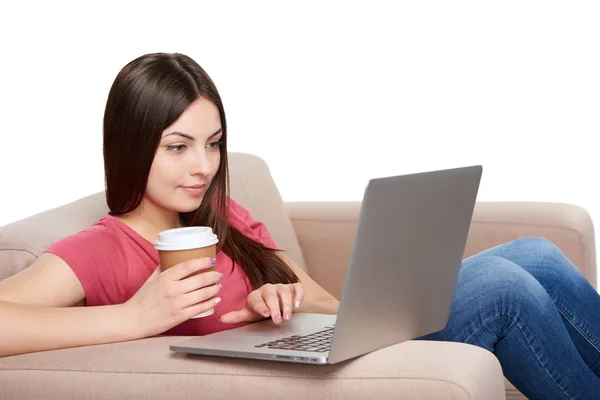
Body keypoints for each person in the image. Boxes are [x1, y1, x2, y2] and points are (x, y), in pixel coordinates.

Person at [0, 53, 598, 399]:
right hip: (315, 376)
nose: (203, 166)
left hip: (330, 338)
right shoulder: (105, 247)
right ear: (130, 146)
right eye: (178, 147)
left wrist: (282, 299)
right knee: (505, 287)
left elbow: (316, 296)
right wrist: (136, 316)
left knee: (538, 255)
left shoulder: (219, 212)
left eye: (213, 144)